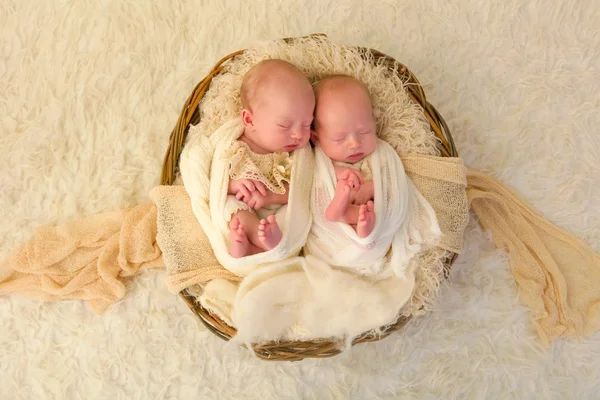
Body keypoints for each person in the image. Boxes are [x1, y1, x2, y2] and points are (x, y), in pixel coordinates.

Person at [224, 59, 315, 258]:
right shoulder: (234, 147)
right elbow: (209, 179)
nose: (299, 135)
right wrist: (233, 184)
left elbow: (303, 190)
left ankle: (272, 245)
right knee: (230, 208)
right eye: (284, 125)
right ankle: (252, 241)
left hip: (277, 219)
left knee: (292, 213)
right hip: (245, 210)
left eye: (307, 124)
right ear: (250, 120)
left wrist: (270, 197)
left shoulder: (296, 156)